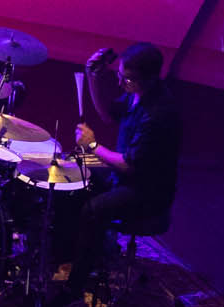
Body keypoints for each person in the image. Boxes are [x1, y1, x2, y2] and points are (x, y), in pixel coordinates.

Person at [75, 40, 182, 265]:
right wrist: (92, 77)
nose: (121, 82)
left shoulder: (158, 114)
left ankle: (77, 284)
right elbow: (107, 115)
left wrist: (93, 146)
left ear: (150, 78)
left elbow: (128, 165)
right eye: (121, 75)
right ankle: (87, 247)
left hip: (146, 192)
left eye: (128, 79)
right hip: (125, 175)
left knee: (91, 210)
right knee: (74, 168)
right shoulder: (137, 93)